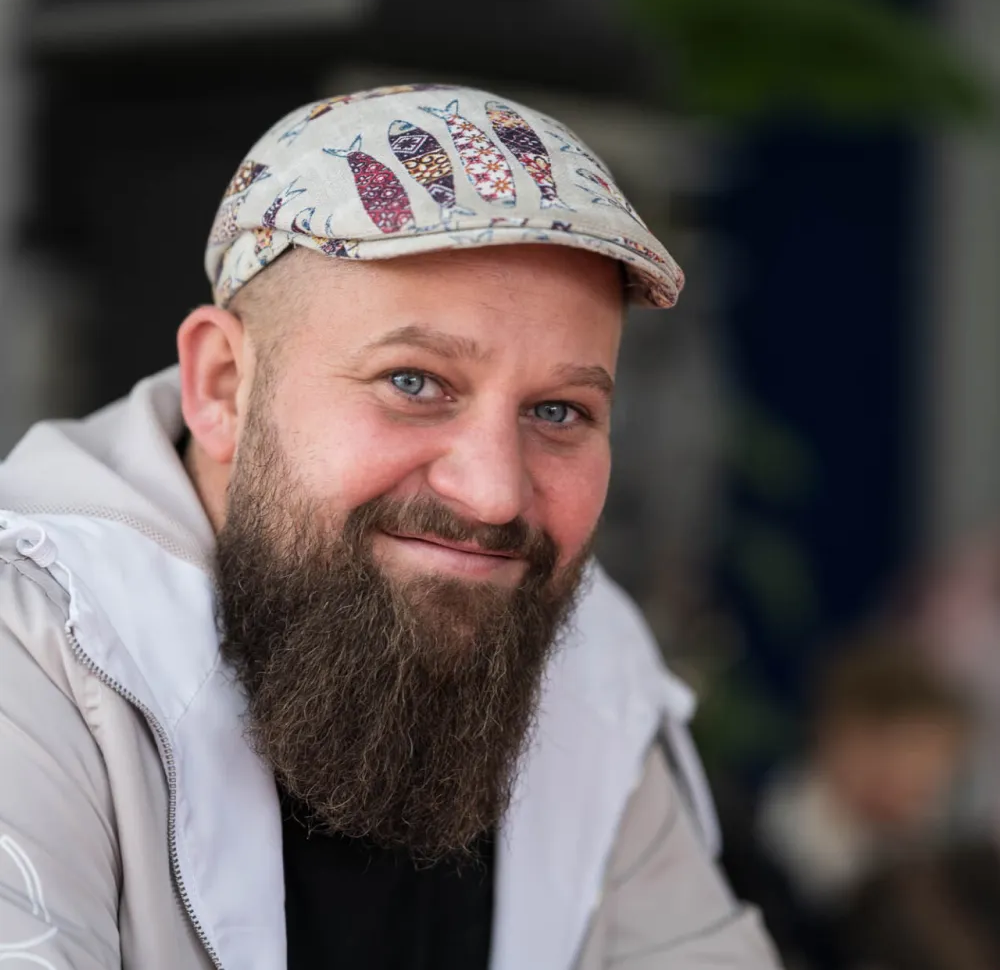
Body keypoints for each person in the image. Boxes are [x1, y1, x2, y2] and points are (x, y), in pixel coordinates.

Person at [0, 84, 780, 969]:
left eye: (558, 411)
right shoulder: (32, 648)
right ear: (223, 387)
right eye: (414, 382)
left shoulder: (589, 658)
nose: (492, 495)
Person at [757, 640, 968, 924]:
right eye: (913, 772)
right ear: (846, 743)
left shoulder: (921, 846)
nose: (925, 794)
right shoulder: (782, 844)